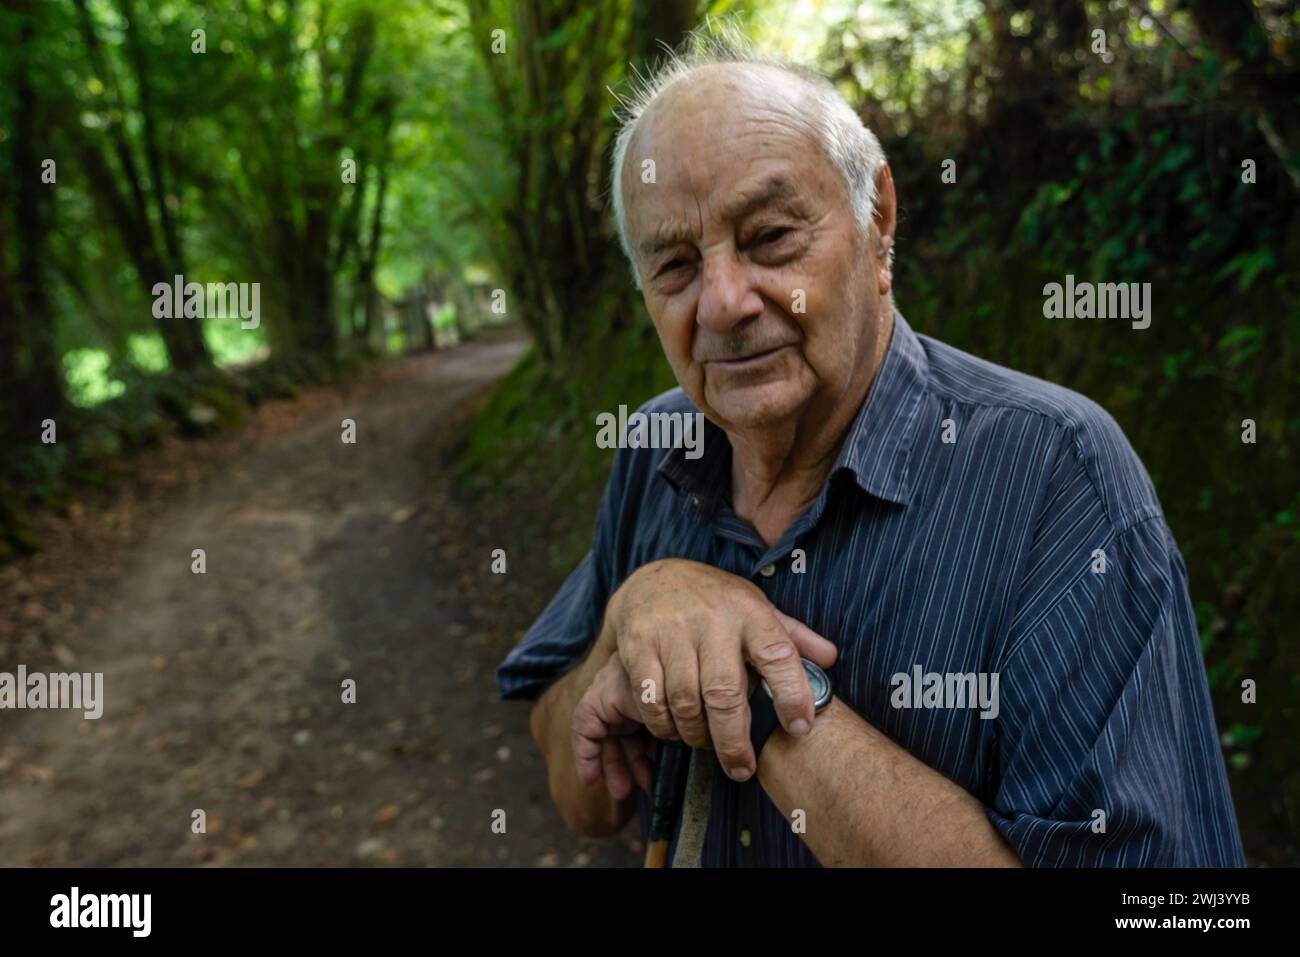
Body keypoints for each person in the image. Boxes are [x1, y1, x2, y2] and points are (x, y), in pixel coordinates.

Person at [497, 32, 1244, 867]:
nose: (723, 301)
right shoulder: (653, 448)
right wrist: (632, 614)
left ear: (877, 219)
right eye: (674, 264)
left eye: (772, 236)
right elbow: (584, 795)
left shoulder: (1057, 477)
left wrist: (754, 683)